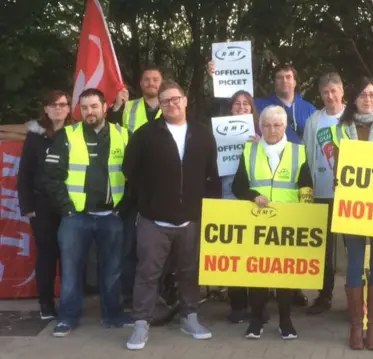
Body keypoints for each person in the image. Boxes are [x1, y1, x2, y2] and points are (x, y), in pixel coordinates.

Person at [124, 80, 221, 350]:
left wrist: (205, 208)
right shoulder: (145, 134)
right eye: (165, 101)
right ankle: (141, 323)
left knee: (189, 272)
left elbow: (211, 174)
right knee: (147, 273)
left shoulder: (202, 134)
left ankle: (190, 317)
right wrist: (149, 199)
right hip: (153, 220)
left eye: (175, 99)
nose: (171, 104)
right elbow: (129, 169)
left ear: (185, 100)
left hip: (190, 219)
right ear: (161, 105)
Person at [44, 88, 131, 337]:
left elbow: (136, 176)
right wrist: (67, 209)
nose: (89, 112)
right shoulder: (68, 135)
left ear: (105, 107)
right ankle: (67, 318)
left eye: (94, 106)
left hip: (111, 216)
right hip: (76, 217)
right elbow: (52, 177)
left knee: (113, 269)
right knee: (71, 270)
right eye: (84, 108)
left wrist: (122, 208)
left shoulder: (123, 135)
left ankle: (112, 315)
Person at [232, 105, 314, 340]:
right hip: (257, 224)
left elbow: (306, 186)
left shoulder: (298, 151)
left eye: (277, 125)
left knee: (284, 276)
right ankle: (256, 322)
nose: (272, 129)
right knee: (257, 275)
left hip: (287, 225)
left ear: (285, 126)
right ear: (260, 127)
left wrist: (304, 217)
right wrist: (253, 196)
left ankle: (285, 322)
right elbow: (237, 186)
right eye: (266, 125)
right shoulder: (249, 150)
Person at [330, 77, 373, 351]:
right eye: (362, 94)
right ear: (354, 98)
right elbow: (337, 169)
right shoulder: (341, 130)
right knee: (354, 266)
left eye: (372, 94)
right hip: (353, 208)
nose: (368, 99)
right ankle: (355, 327)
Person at [108, 66, 164, 309]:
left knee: (160, 248)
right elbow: (110, 133)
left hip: (162, 187)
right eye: (147, 79)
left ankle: (160, 295)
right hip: (132, 188)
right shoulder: (129, 107)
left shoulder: (172, 105)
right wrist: (117, 108)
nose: (151, 83)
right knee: (130, 245)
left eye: (156, 79)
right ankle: (130, 297)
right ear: (140, 83)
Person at [18, 90, 73, 320]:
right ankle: (46, 304)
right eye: (53, 105)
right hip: (41, 205)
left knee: (70, 255)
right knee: (47, 254)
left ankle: (70, 304)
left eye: (62, 104)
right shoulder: (35, 136)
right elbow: (24, 174)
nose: (58, 109)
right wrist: (27, 206)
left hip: (69, 202)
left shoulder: (76, 134)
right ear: (46, 109)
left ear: (69, 108)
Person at [301, 72, 345, 315]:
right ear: (321, 94)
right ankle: (324, 294)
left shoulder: (352, 118)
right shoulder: (314, 120)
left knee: (353, 246)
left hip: (349, 194)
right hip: (322, 192)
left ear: (342, 91)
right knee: (323, 247)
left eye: (334, 91)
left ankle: (357, 297)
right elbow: (308, 154)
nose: (330, 96)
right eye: (326, 92)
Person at [219, 90, 260, 324]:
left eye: (246, 104)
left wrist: (259, 145)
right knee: (233, 253)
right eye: (237, 104)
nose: (242, 107)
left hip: (253, 195)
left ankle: (257, 304)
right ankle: (237, 304)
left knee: (254, 253)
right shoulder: (220, 130)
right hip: (228, 195)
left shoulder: (262, 130)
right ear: (230, 108)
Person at [253, 64, 316, 145]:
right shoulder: (258, 106)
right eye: (279, 77)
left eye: (288, 77)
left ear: (295, 82)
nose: (284, 81)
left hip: (302, 156)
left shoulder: (309, 109)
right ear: (274, 82)